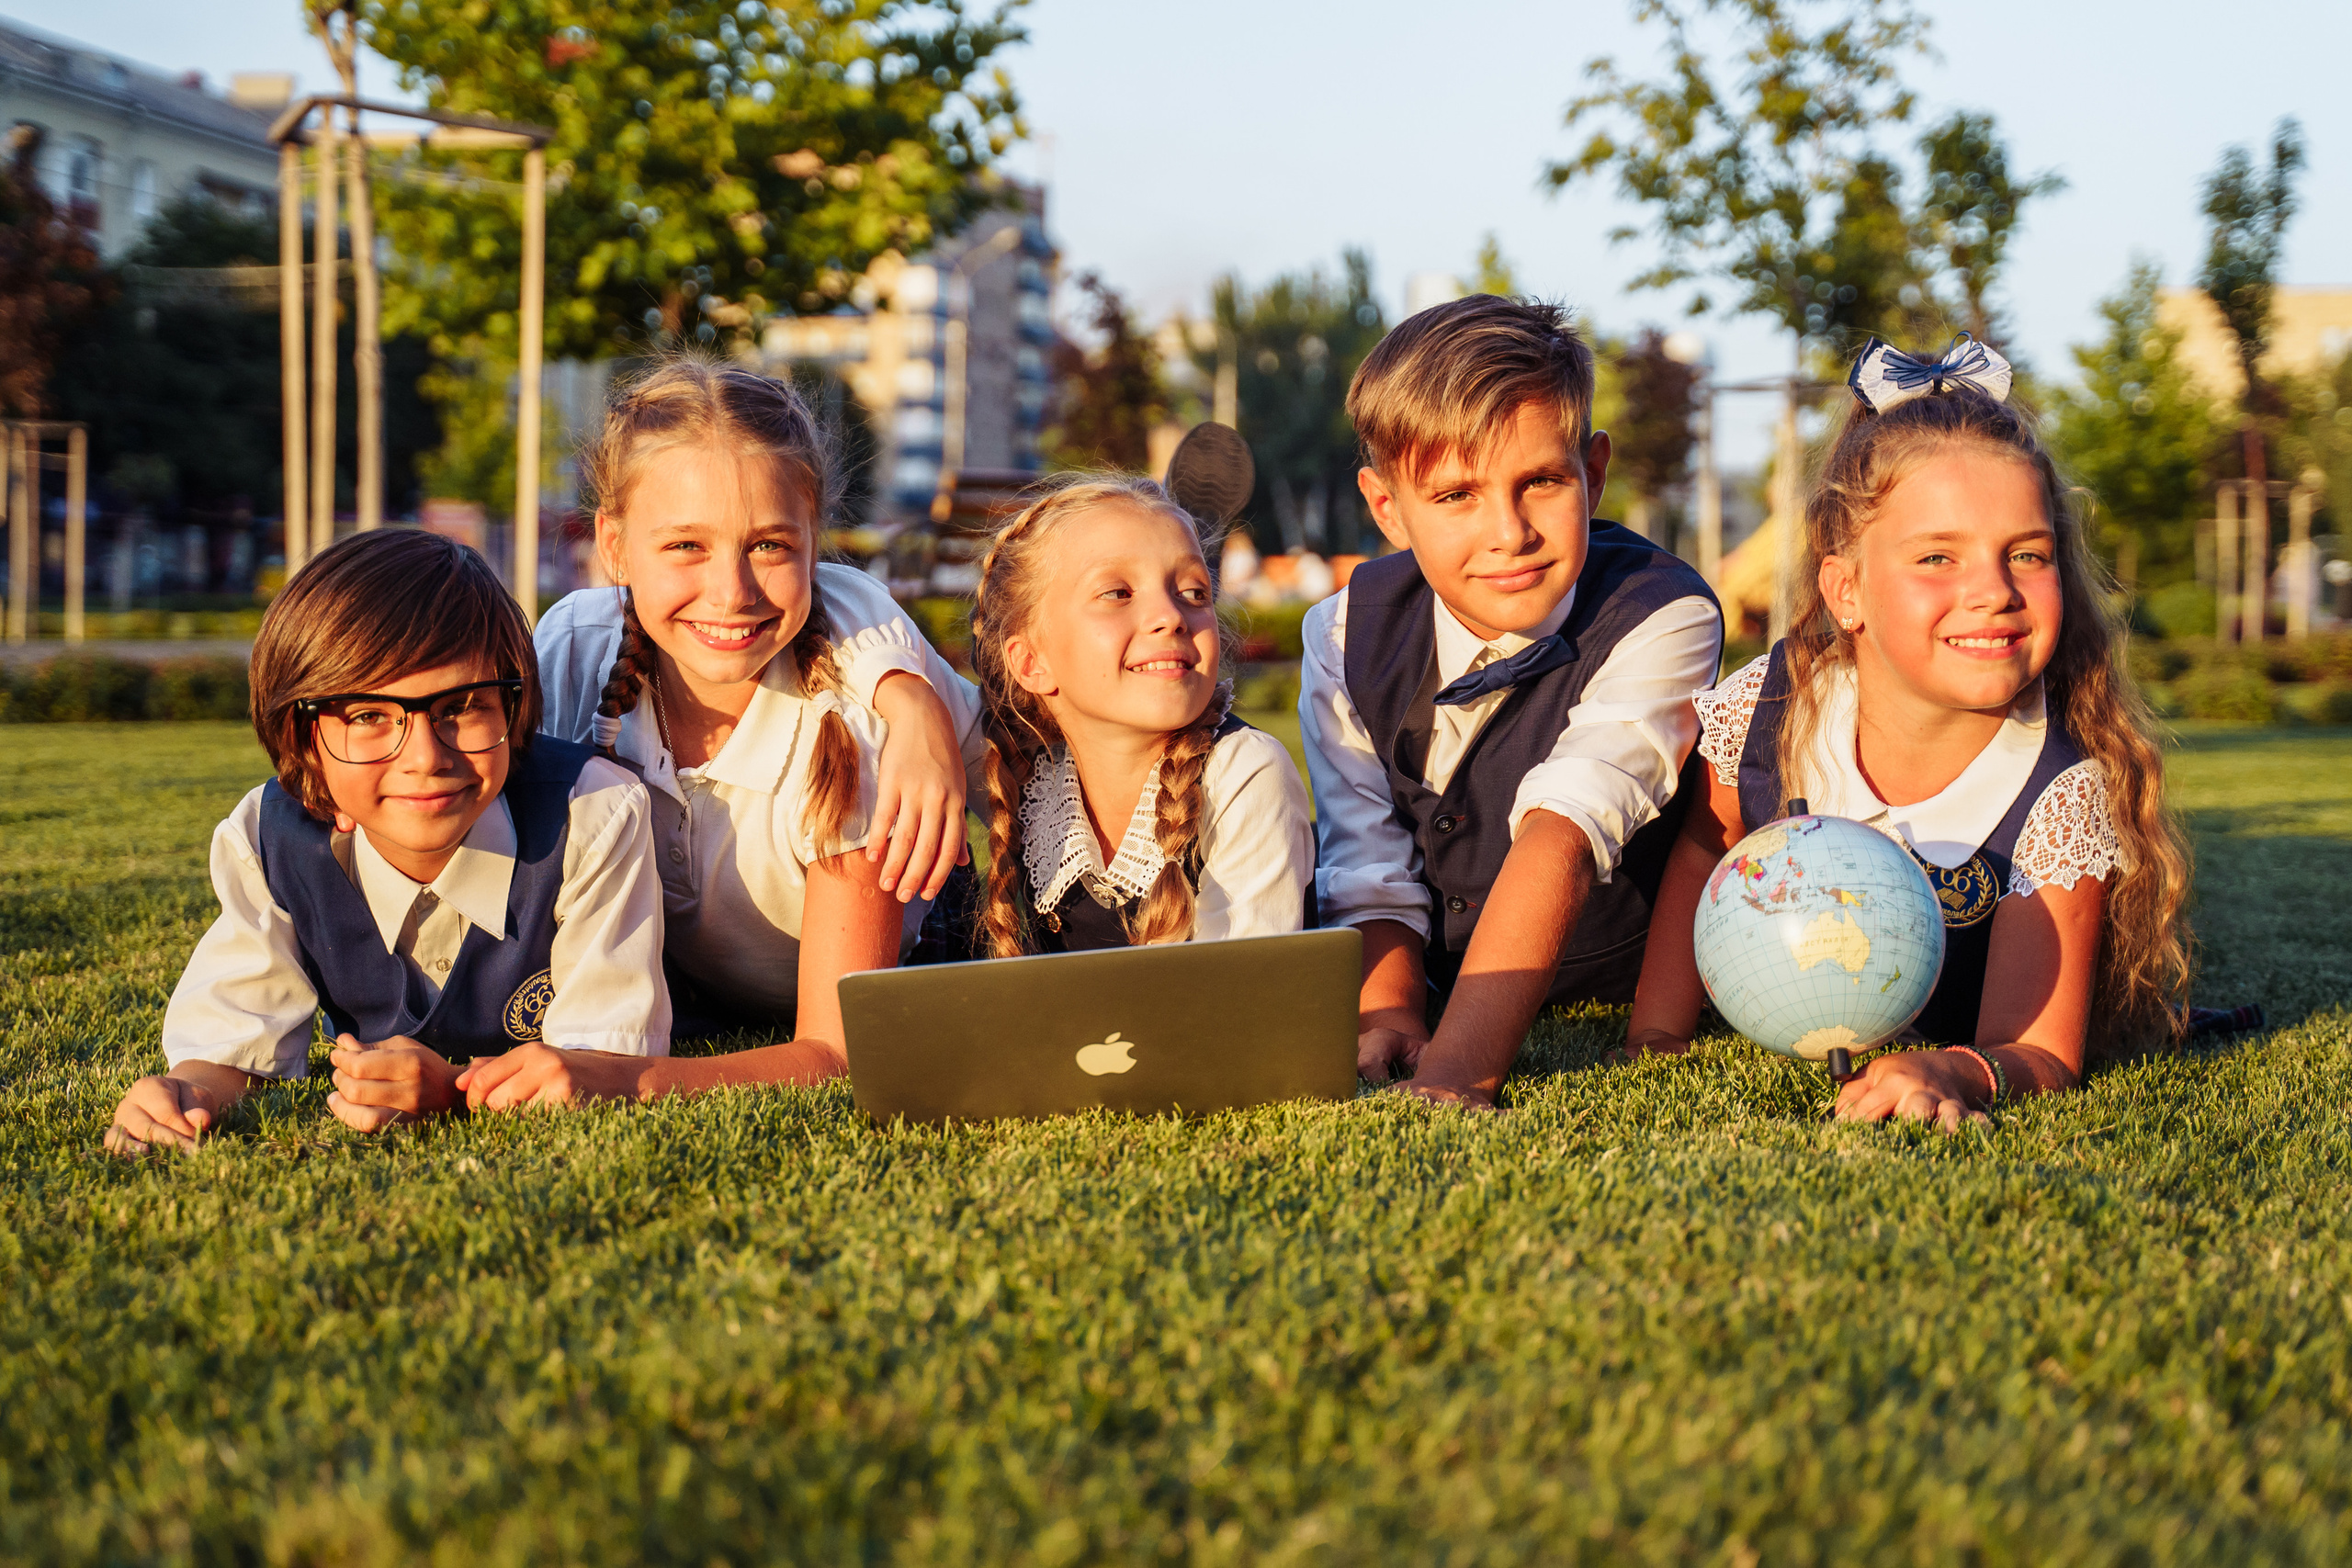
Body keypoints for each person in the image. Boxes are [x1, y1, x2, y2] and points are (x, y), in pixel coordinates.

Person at [1624, 337, 2192, 1128]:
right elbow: (1707, 847)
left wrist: (1952, 1068)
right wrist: (1655, 1034)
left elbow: (2039, 1050)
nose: (1993, 590)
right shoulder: (1774, 706)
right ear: (1846, 587)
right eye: (1936, 556)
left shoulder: (2059, 793)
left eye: (2026, 554)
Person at [463, 357, 980, 1109]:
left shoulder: (852, 719)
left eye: (769, 545)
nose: (731, 592)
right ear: (613, 543)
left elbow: (835, 1051)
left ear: (813, 542)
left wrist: (619, 1079)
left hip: (903, 964)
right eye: (685, 546)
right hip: (686, 990)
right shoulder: (574, 650)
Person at [104, 530, 670, 1156]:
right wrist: (188, 1093)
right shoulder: (269, 838)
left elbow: (599, 1065)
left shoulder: (591, 812)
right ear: (305, 738)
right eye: (369, 715)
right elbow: (232, 1044)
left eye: (461, 706)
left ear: (512, 709)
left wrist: (453, 1089)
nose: (426, 758)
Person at [1300, 294, 1724, 1110]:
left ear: (1593, 474)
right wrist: (1390, 1007)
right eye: (1456, 495)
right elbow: (1369, 861)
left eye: (1540, 481)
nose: (1509, 531)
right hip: (1439, 971)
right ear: (1388, 507)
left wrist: (1457, 1072)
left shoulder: (1663, 614)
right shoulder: (1345, 632)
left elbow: (1567, 827)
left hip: (1612, 972)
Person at [967, 475, 1313, 955]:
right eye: (1118, 593)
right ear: (1031, 662)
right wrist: (905, 696)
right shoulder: (1026, 768)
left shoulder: (1244, 774)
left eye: (1194, 592)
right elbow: (845, 608)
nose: (1171, 616)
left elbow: (1238, 1008)